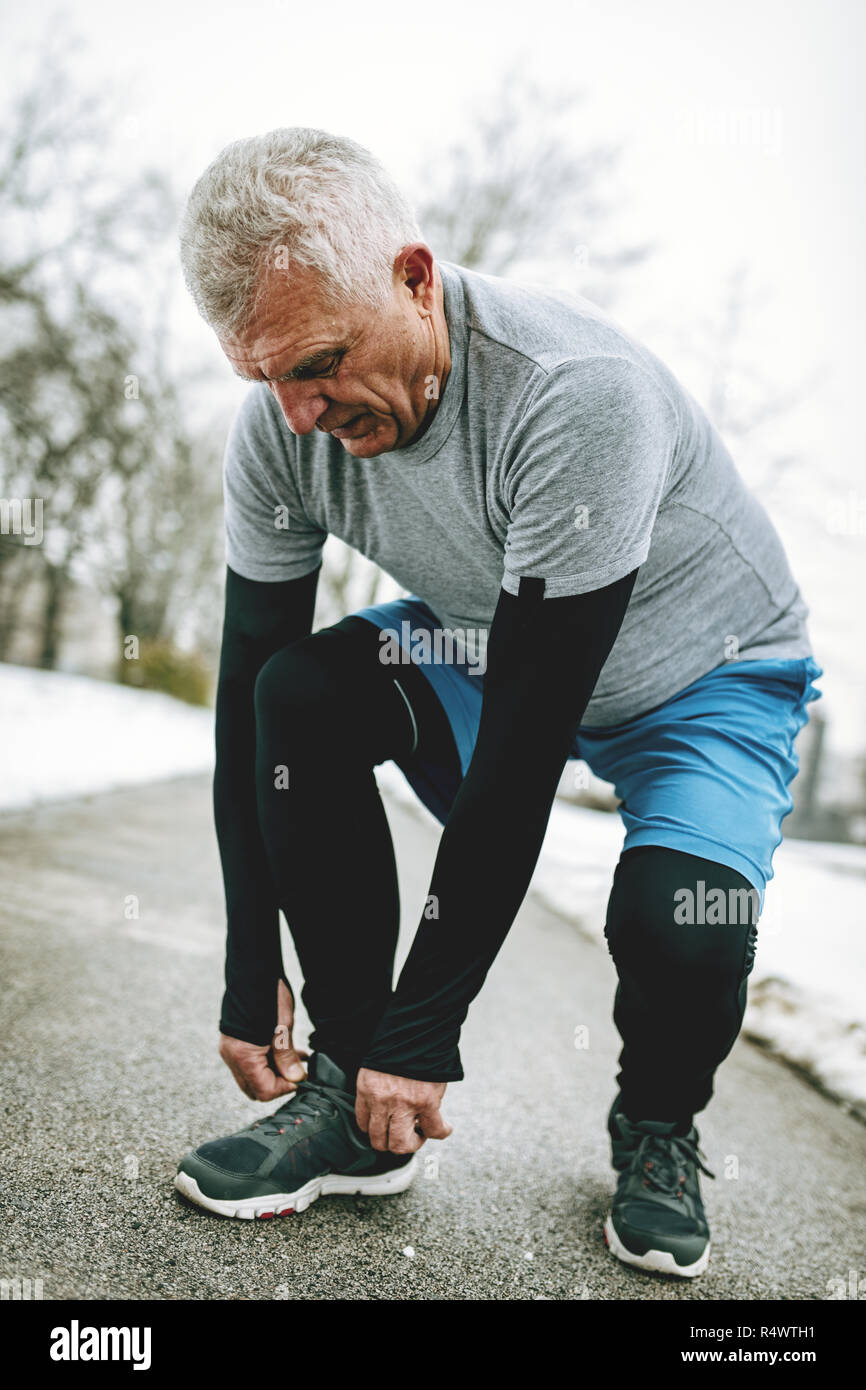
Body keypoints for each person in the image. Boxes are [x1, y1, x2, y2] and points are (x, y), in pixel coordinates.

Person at [173, 128, 819, 1277]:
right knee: (302, 697)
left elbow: (523, 753)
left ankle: (657, 1126)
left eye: (318, 362)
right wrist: (244, 965)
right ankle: (343, 1097)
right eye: (263, 378)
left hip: (702, 674)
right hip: (494, 630)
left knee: (679, 925)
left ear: (414, 279)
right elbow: (246, 709)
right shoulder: (284, 429)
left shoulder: (575, 396)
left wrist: (427, 1033)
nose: (300, 416)